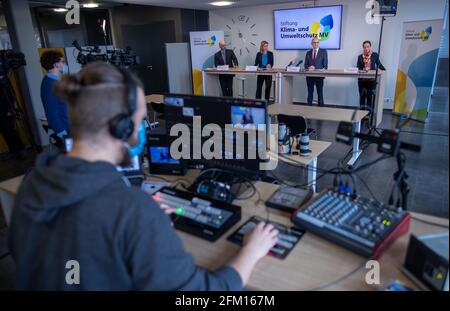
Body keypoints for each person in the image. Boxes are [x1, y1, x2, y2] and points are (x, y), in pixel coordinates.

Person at [8, 62, 278, 290]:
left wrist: (149, 238)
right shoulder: (132, 210)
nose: (143, 130)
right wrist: (251, 251)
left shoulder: (33, 183)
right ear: (122, 127)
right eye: (140, 121)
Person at [40, 50, 70, 146]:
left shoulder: (57, 81)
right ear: (56, 64)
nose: (64, 64)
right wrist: (63, 135)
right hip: (66, 130)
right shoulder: (49, 85)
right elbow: (51, 113)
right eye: (63, 62)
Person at [357, 40, 386, 110]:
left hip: (371, 80)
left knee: (370, 97)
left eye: (368, 47)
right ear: (363, 48)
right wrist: (363, 68)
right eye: (365, 47)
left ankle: (369, 113)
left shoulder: (375, 55)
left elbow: (379, 64)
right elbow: (358, 67)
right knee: (362, 97)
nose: (366, 48)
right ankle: (362, 113)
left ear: (370, 47)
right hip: (362, 80)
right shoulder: (360, 57)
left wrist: (384, 70)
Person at [304, 38, 328, 106]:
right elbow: (305, 65)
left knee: (320, 93)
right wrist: (309, 67)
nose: (315, 44)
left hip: (319, 76)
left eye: (317, 42)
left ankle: (321, 108)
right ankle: (309, 108)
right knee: (310, 92)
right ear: (311, 44)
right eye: (314, 42)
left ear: (319, 43)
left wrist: (315, 68)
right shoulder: (308, 53)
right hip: (310, 76)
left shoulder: (323, 52)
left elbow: (325, 66)